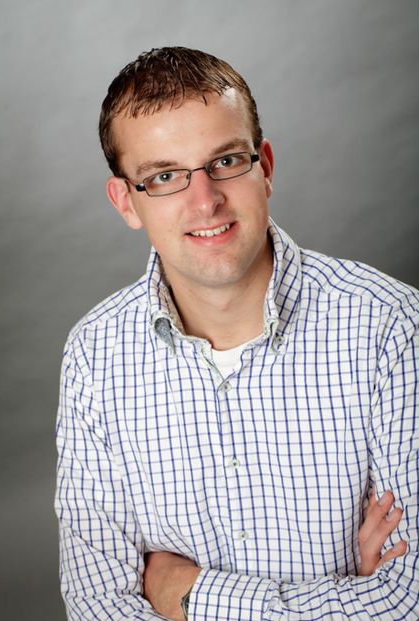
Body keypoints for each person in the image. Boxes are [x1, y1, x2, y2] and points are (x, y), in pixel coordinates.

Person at [55, 47, 418, 620]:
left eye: (225, 161)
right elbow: (98, 606)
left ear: (264, 167)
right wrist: (350, 600)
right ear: (126, 201)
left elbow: (409, 599)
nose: (205, 201)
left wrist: (185, 594)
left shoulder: (391, 329)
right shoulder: (94, 357)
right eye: (165, 176)